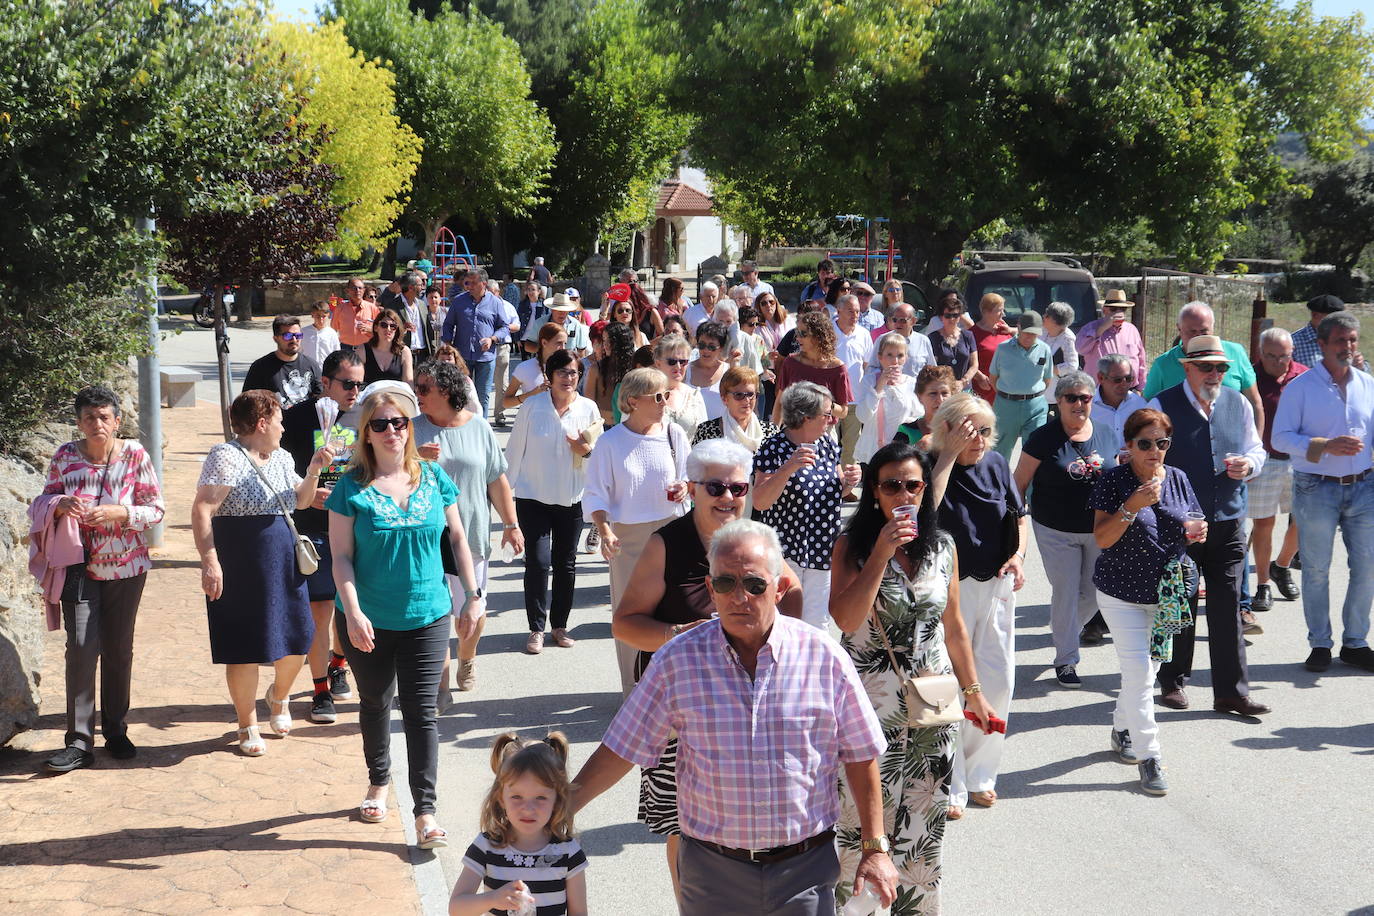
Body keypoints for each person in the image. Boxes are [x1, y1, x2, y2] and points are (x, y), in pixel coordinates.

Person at [571, 520, 898, 916]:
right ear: (711, 590)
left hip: (804, 870)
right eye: (725, 584)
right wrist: (562, 808)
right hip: (712, 873)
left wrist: (875, 848)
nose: (739, 597)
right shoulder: (678, 660)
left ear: (779, 589)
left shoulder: (823, 657)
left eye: (754, 584)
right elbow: (623, 747)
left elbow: (861, 754)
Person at [611, 440, 803, 894]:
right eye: (715, 486)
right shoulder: (667, 544)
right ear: (693, 489)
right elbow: (625, 623)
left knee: (743, 821)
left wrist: (782, 634)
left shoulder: (757, 542)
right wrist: (681, 636)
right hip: (679, 710)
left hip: (749, 704)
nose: (728, 497)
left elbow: (791, 593)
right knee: (683, 826)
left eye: (738, 487)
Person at [829, 442, 997, 913]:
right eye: (891, 485)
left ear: (925, 489)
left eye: (913, 484)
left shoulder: (943, 546)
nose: (903, 494)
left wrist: (975, 692)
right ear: (874, 492)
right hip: (868, 705)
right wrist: (881, 554)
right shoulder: (852, 546)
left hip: (932, 703)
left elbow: (955, 626)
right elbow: (844, 618)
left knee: (924, 829)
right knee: (861, 824)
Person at [328, 383, 484, 849]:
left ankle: (425, 812)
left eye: (399, 422)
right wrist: (353, 612)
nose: (392, 430)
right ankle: (378, 781)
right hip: (368, 618)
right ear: (367, 433)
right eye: (381, 424)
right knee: (375, 702)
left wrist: (472, 595)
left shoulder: (434, 478)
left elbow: (457, 539)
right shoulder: (349, 488)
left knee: (422, 713)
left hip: (428, 614)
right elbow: (340, 557)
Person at [192, 390, 332, 757]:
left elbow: (299, 502)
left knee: (297, 638)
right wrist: (210, 560)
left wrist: (314, 470)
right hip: (237, 560)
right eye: (280, 420)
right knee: (243, 647)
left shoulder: (283, 457)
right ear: (262, 423)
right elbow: (203, 509)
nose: (284, 428)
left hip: (282, 558)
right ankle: (246, 723)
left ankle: (279, 696)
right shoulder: (226, 456)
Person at [34, 385, 165, 772]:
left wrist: (119, 514)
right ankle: (78, 741)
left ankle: (116, 729)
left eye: (104, 416)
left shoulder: (135, 455)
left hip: (127, 567)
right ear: (78, 422)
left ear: (117, 421)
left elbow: (155, 508)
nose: (97, 424)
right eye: (89, 417)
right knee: (80, 650)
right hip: (78, 567)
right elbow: (44, 501)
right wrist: (60, 505)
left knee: (118, 648)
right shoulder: (64, 456)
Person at [1148, 335, 1270, 715]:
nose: (1215, 373)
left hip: (1229, 518)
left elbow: (1256, 448)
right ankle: (1172, 681)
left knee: (1228, 603)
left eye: (1221, 367)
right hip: (1179, 521)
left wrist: (1249, 465)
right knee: (1179, 601)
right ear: (1187, 367)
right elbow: (1147, 457)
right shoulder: (1161, 404)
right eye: (1206, 366)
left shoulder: (1238, 403)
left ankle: (1231, 691)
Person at [1088, 407, 1206, 796]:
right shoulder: (1113, 481)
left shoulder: (1179, 479)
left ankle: (1123, 728)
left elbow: (1191, 520)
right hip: (1120, 593)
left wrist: (1196, 531)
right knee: (1139, 674)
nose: (1154, 451)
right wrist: (1131, 506)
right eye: (1145, 443)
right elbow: (1102, 539)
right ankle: (1149, 756)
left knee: (1146, 673)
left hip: (1167, 594)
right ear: (1129, 445)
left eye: (1162, 443)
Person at [927, 393, 1027, 818]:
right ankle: (951, 779)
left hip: (997, 586)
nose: (980, 440)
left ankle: (981, 772)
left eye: (985, 431)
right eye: (970, 431)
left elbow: (1019, 516)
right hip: (952, 591)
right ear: (946, 430)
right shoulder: (928, 465)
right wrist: (947, 457)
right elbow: (921, 513)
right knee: (950, 684)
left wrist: (1018, 556)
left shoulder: (997, 464)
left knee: (998, 682)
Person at [1273, 312, 1374, 674]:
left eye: (1352, 340)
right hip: (1316, 488)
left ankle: (1356, 642)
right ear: (1322, 345)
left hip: (1364, 487)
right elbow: (1280, 438)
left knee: (1366, 567)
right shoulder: (1300, 387)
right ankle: (1320, 643)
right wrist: (1325, 445)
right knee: (1316, 570)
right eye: (1340, 341)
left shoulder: (1367, 383)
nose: (1347, 347)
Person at [414, 363, 521, 692]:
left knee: (471, 609)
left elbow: (496, 479)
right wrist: (413, 458)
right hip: (424, 538)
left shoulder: (478, 428)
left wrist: (511, 524)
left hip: (471, 533)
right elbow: (388, 474)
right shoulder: (409, 430)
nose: (416, 394)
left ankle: (467, 656)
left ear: (445, 392)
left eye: (424, 388)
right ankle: (439, 680)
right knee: (432, 615)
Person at [583, 367, 691, 692]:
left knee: (673, 614)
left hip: (674, 535)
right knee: (632, 621)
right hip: (628, 540)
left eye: (666, 395)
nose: (664, 402)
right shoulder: (610, 441)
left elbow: (690, 477)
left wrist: (686, 487)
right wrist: (604, 531)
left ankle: (673, 692)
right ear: (632, 400)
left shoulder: (675, 435)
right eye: (656, 397)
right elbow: (595, 494)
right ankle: (634, 694)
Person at [1013, 372, 1119, 688]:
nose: (1078, 404)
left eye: (1084, 397)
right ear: (1058, 402)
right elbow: (1018, 483)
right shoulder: (1042, 438)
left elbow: (1115, 475)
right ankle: (1066, 660)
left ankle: (1064, 629)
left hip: (1098, 529)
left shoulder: (1105, 433)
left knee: (1096, 592)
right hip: (1054, 528)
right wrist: (1014, 524)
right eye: (1070, 398)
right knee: (1067, 590)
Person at [281, 349, 365, 724]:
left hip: (355, 526)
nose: (354, 392)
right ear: (326, 383)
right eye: (348, 384)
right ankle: (319, 689)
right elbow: (279, 471)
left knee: (348, 606)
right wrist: (305, 493)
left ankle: (338, 662)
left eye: (359, 384)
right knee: (320, 609)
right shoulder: (295, 418)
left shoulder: (366, 419)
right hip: (311, 528)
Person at [506, 348, 601, 653]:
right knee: (537, 562)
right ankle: (536, 628)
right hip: (532, 497)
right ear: (549, 376)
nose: (568, 378)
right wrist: (504, 495)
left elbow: (597, 458)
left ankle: (559, 625)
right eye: (561, 372)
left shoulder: (589, 409)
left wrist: (583, 450)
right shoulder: (532, 407)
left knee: (566, 565)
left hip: (571, 500)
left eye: (573, 372)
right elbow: (514, 452)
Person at [754, 382, 862, 627]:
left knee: (817, 626)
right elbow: (760, 501)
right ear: (805, 416)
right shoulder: (775, 447)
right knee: (784, 624)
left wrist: (849, 483)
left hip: (821, 550)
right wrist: (788, 467)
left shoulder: (828, 445)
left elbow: (836, 491)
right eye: (827, 414)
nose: (833, 421)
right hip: (786, 552)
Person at [450, 732, 588, 916]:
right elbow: (456, 908)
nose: (528, 809)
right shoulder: (486, 846)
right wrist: (493, 899)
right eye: (517, 797)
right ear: (501, 798)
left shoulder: (568, 852)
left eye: (540, 797)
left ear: (557, 799)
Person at [1248, 327, 1306, 614]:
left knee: (1304, 519)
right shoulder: (1250, 376)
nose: (1278, 362)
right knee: (1264, 523)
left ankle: (1281, 565)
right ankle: (1262, 585)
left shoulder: (1306, 375)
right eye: (1271, 356)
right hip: (1265, 458)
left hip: (1300, 458)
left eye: (1283, 356)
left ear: (1291, 353)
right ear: (1261, 353)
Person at [1143, 301, 1264, 430]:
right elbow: (1148, 409)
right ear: (1179, 329)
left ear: (1213, 328)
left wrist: (1256, 445)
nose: (1198, 337)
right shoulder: (1163, 364)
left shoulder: (1236, 353)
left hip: (1231, 442)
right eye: (1192, 332)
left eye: (1204, 331)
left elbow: (1254, 402)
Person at [442, 268, 513, 417]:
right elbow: (448, 324)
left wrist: (492, 339)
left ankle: (482, 428)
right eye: (467, 282)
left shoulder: (495, 302)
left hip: (485, 358)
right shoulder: (459, 301)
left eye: (473, 283)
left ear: (484, 284)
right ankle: (460, 426)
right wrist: (448, 344)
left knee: (483, 396)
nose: (469, 286)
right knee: (460, 394)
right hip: (462, 357)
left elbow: (504, 327)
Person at [771, 309, 853, 429]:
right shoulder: (791, 362)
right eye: (797, 333)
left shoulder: (838, 369)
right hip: (793, 429)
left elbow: (843, 412)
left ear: (819, 336)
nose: (798, 338)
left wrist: (821, 403)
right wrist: (773, 433)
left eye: (803, 334)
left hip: (824, 431)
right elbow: (780, 402)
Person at [988, 311, 1052, 459]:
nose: (1030, 337)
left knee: (1035, 451)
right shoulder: (1003, 348)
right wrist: (1009, 394)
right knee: (1000, 450)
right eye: (1027, 333)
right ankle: (1001, 481)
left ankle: (1030, 483)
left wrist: (1031, 393)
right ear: (1019, 328)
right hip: (1006, 405)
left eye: (1034, 334)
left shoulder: (1045, 349)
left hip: (1035, 405)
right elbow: (993, 377)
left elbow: (1047, 379)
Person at [856, 332, 919, 464]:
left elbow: (917, 416)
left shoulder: (911, 383)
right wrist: (879, 386)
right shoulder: (869, 381)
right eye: (889, 355)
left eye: (900, 355)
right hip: (873, 450)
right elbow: (862, 416)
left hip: (901, 451)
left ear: (906, 358)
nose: (895, 361)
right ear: (880, 357)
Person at [242, 315, 322, 409]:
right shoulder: (260, 368)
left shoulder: (311, 365)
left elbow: (320, 398)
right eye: (288, 336)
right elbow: (247, 403)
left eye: (298, 335)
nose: (294, 340)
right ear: (275, 338)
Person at [1075, 289, 1146, 390]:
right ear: (1104, 310)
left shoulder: (1131, 329)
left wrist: (1140, 388)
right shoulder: (1090, 328)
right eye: (1113, 309)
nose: (1118, 313)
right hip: (1098, 390)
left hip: (1128, 389)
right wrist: (1101, 329)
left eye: (1123, 309)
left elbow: (1141, 360)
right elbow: (1080, 349)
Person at [651, 333, 709, 439]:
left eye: (683, 362)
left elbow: (704, 437)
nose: (678, 367)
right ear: (658, 364)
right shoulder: (644, 395)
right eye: (672, 361)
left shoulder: (694, 395)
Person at [504, 322, 566, 411]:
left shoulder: (568, 367)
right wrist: (532, 394)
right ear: (544, 342)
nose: (563, 348)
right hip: (532, 421)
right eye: (559, 343)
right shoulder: (524, 368)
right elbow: (506, 402)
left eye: (565, 343)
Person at [1091, 353, 1148, 447]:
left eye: (1129, 379)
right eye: (1117, 379)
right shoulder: (1087, 405)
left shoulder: (1140, 405)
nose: (1124, 384)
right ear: (1101, 378)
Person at [585, 319, 635, 427]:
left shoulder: (634, 368)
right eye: (604, 340)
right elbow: (588, 404)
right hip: (602, 425)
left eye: (610, 341)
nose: (605, 345)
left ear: (622, 342)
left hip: (627, 426)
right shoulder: (596, 368)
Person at [895, 364, 957, 447]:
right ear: (919, 397)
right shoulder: (906, 430)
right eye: (933, 393)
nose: (940, 399)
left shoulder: (959, 428)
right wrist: (916, 450)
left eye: (944, 393)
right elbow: (896, 459)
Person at [928, 296, 980, 391]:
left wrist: (963, 381)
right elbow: (932, 367)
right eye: (948, 316)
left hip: (964, 389)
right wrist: (949, 384)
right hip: (942, 390)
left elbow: (974, 365)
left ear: (960, 317)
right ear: (941, 317)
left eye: (955, 315)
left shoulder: (968, 336)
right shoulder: (933, 338)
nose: (952, 319)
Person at [970, 293, 1013, 404]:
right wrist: (978, 376)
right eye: (999, 310)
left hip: (1005, 389)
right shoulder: (972, 333)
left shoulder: (1004, 329)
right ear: (986, 312)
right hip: (984, 389)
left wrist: (1012, 330)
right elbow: (966, 361)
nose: (1003, 314)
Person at [870, 303, 934, 375]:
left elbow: (931, 369)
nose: (898, 323)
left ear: (913, 321)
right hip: (890, 385)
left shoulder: (923, 341)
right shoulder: (882, 339)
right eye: (895, 320)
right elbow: (871, 368)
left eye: (902, 320)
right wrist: (884, 375)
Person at [1291, 293, 1350, 370]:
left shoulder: (1343, 339)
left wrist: (1360, 365)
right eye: (1331, 318)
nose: (1337, 322)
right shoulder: (1293, 342)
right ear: (1315, 315)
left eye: (1339, 318)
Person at [687, 321, 731, 419]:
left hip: (719, 432)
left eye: (711, 347)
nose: (706, 350)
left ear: (721, 348)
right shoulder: (685, 371)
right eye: (702, 345)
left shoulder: (729, 372)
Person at [1041, 300, 1079, 409]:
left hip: (1055, 395)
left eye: (1047, 315)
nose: (1043, 316)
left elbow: (1072, 366)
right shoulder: (1043, 330)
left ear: (1056, 321)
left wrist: (1047, 368)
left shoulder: (1068, 338)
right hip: (1039, 392)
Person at [362, 307, 413, 386]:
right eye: (383, 325)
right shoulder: (363, 350)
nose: (388, 329)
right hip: (371, 396)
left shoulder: (404, 351)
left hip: (396, 396)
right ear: (376, 328)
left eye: (393, 326)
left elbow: (408, 384)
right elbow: (356, 382)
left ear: (396, 330)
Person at [332, 277, 381, 353]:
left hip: (367, 347)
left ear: (364, 290)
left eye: (360, 288)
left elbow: (381, 329)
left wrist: (369, 329)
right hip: (346, 348)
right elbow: (333, 331)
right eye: (354, 288)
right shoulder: (340, 309)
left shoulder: (372, 308)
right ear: (347, 291)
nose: (357, 291)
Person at [395, 271, 432, 362]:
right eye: (420, 284)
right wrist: (402, 328)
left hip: (423, 355)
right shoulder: (393, 306)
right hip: (403, 354)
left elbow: (428, 331)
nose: (423, 286)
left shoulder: (422, 305)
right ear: (411, 287)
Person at [301, 300, 340, 368]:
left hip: (326, 369)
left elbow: (336, 353)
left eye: (324, 316)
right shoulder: (303, 332)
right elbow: (298, 351)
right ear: (312, 315)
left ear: (328, 315)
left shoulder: (332, 333)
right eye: (318, 316)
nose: (321, 320)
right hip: (307, 369)